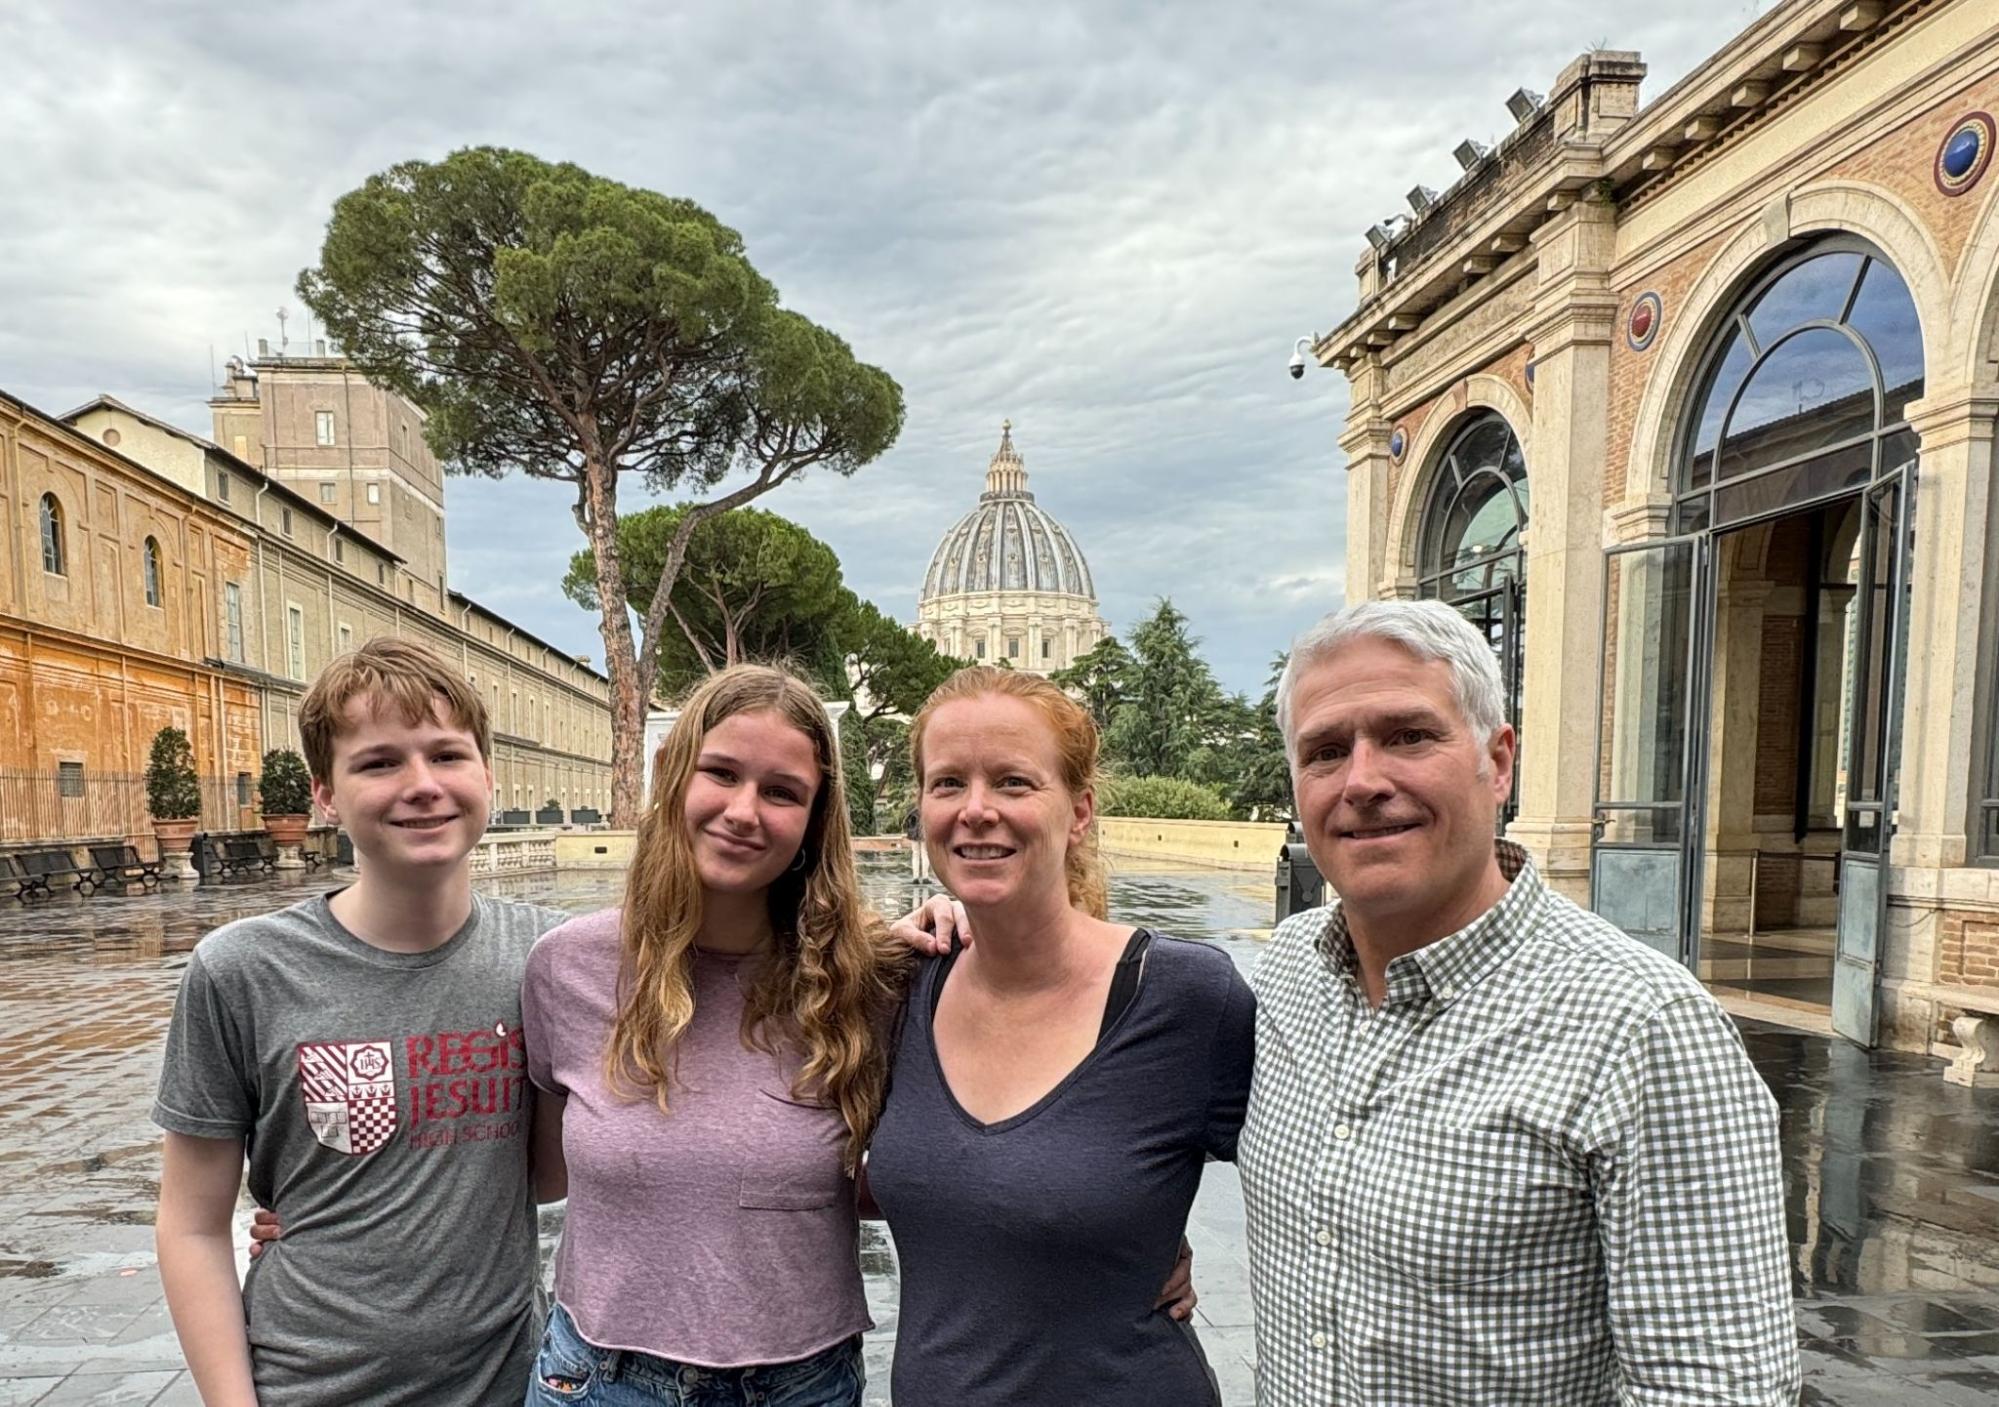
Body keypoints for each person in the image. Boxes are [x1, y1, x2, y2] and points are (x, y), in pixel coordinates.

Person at [1242, 599, 1798, 1404]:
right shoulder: (1290, 969)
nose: (1362, 780)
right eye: (1325, 751)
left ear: (1497, 761)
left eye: (1408, 735)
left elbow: (1712, 1387)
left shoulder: (1639, 1025)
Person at [152, 638, 567, 1406]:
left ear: (488, 775)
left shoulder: (552, 959)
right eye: (378, 763)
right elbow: (191, 1224)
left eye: (447, 754)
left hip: (511, 1383)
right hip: (307, 1382)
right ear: (324, 795)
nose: (422, 785)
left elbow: (546, 1174)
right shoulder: (240, 970)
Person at [518, 664, 908, 1406]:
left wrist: (1139, 1240)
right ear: (670, 775)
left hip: (805, 1383)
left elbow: (966, 1148)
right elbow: (525, 1172)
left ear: (813, 820)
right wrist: (316, 1210)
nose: (743, 810)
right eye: (721, 773)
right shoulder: (565, 967)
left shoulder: (876, 982)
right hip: (602, 1380)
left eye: (782, 791)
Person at [865, 666, 1256, 1405]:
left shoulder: (1188, 998)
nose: (976, 809)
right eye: (948, 782)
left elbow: (1312, 1187)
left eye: (1013, 781)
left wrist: (1139, 1232)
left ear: (1078, 811)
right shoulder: (901, 986)